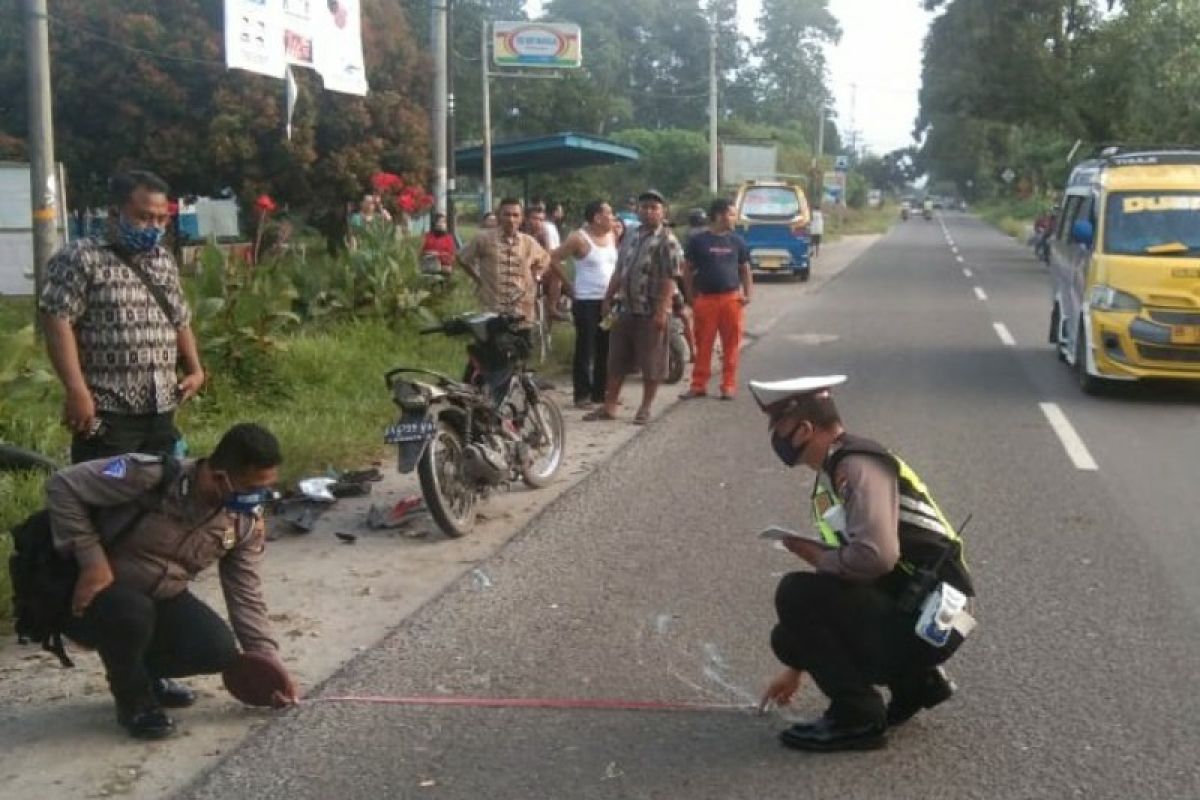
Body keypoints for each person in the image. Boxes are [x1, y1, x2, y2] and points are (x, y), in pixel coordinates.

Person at [751, 375, 975, 752]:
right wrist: (797, 667)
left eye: (779, 427)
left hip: (933, 617)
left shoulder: (855, 466)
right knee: (788, 638)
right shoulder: (837, 468)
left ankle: (857, 717)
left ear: (805, 429)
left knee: (795, 592)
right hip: (923, 610)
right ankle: (916, 683)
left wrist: (818, 556)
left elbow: (876, 556)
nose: (775, 436)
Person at [50, 423, 297, 739]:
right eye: (251, 488)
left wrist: (268, 667)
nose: (258, 497)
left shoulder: (244, 522)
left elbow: (245, 591)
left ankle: (147, 675)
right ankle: (134, 701)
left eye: (265, 488)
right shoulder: (149, 476)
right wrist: (91, 560)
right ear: (220, 476)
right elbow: (63, 485)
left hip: (161, 596)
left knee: (217, 650)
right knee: (131, 612)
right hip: (92, 595)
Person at [40, 170, 204, 465]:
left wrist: (195, 369)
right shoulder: (81, 257)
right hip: (109, 409)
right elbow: (57, 321)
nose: (153, 227)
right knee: (107, 494)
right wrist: (76, 391)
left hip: (162, 405)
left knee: (157, 493)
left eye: (160, 219)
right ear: (115, 213)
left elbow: (180, 318)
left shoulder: (163, 260)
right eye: (143, 217)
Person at [584, 189, 682, 425]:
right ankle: (609, 406)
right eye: (644, 206)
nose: (648, 211)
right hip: (625, 308)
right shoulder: (630, 236)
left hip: (650, 311)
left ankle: (645, 408)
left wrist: (662, 311)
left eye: (654, 208)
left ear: (663, 212)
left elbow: (670, 279)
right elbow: (620, 270)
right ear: (637, 210)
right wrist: (608, 298)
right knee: (616, 361)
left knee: (652, 363)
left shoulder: (667, 240)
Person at [680, 198, 752, 401]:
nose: (734, 218)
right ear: (719, 215)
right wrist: (690, 296)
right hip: (706, 300)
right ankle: (698, 385)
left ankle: (728, 386)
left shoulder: (737, 241)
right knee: (703, 343)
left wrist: (748, 293)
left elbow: (745, 269)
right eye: (731, 214)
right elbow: (686, 270)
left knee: (731, 344)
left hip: (731, 300)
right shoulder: (698, 241)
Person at [551, 200, 618, 408]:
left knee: (605, 347)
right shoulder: (578, 238)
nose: (613, 218)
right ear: (597, 217)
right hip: (586, 300)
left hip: (607, 300)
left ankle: (601, 391)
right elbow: (553, 258)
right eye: (609, 214)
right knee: (585, 347)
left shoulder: (611, 235)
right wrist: (568, 285)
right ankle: (582, 394)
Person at [456, 198, 550, 327]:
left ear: (521, 218)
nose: (511, 219)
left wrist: (535, 276)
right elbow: (462, 258)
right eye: (507, 214)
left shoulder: (528, 242)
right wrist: (477, 277)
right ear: (499, 216)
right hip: (492, 310)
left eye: (515, 215)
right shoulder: (483, 238)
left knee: (521, 344)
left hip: (522, 311)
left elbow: (545, 259)